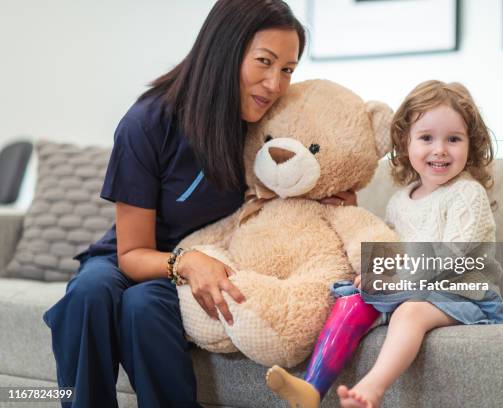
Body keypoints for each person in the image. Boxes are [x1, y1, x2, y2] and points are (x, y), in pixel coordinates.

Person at [43, 1, 354, 407]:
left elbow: (299, 173)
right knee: (89, 292)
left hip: (212, 261)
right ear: (224, 49)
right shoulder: (147, 123)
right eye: (264, 62)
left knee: (143, 307)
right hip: (143, 257)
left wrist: (330, 194)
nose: (276, 84)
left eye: (288, 70)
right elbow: (132, 253)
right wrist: (186, 261)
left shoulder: (266, 128)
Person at [266, 80, 503, 408]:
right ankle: (311, 388)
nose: (439, 149)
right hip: (413, 286)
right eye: (426, 138)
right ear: (404, 144)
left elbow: (451, 257)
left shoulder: (467, 194)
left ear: (471, 144)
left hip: (462, 294)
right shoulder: (400, 201)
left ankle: (372, 389)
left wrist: (393, 280)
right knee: (351, 300)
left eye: (453, 139)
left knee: (409, 312)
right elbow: (390, 249)